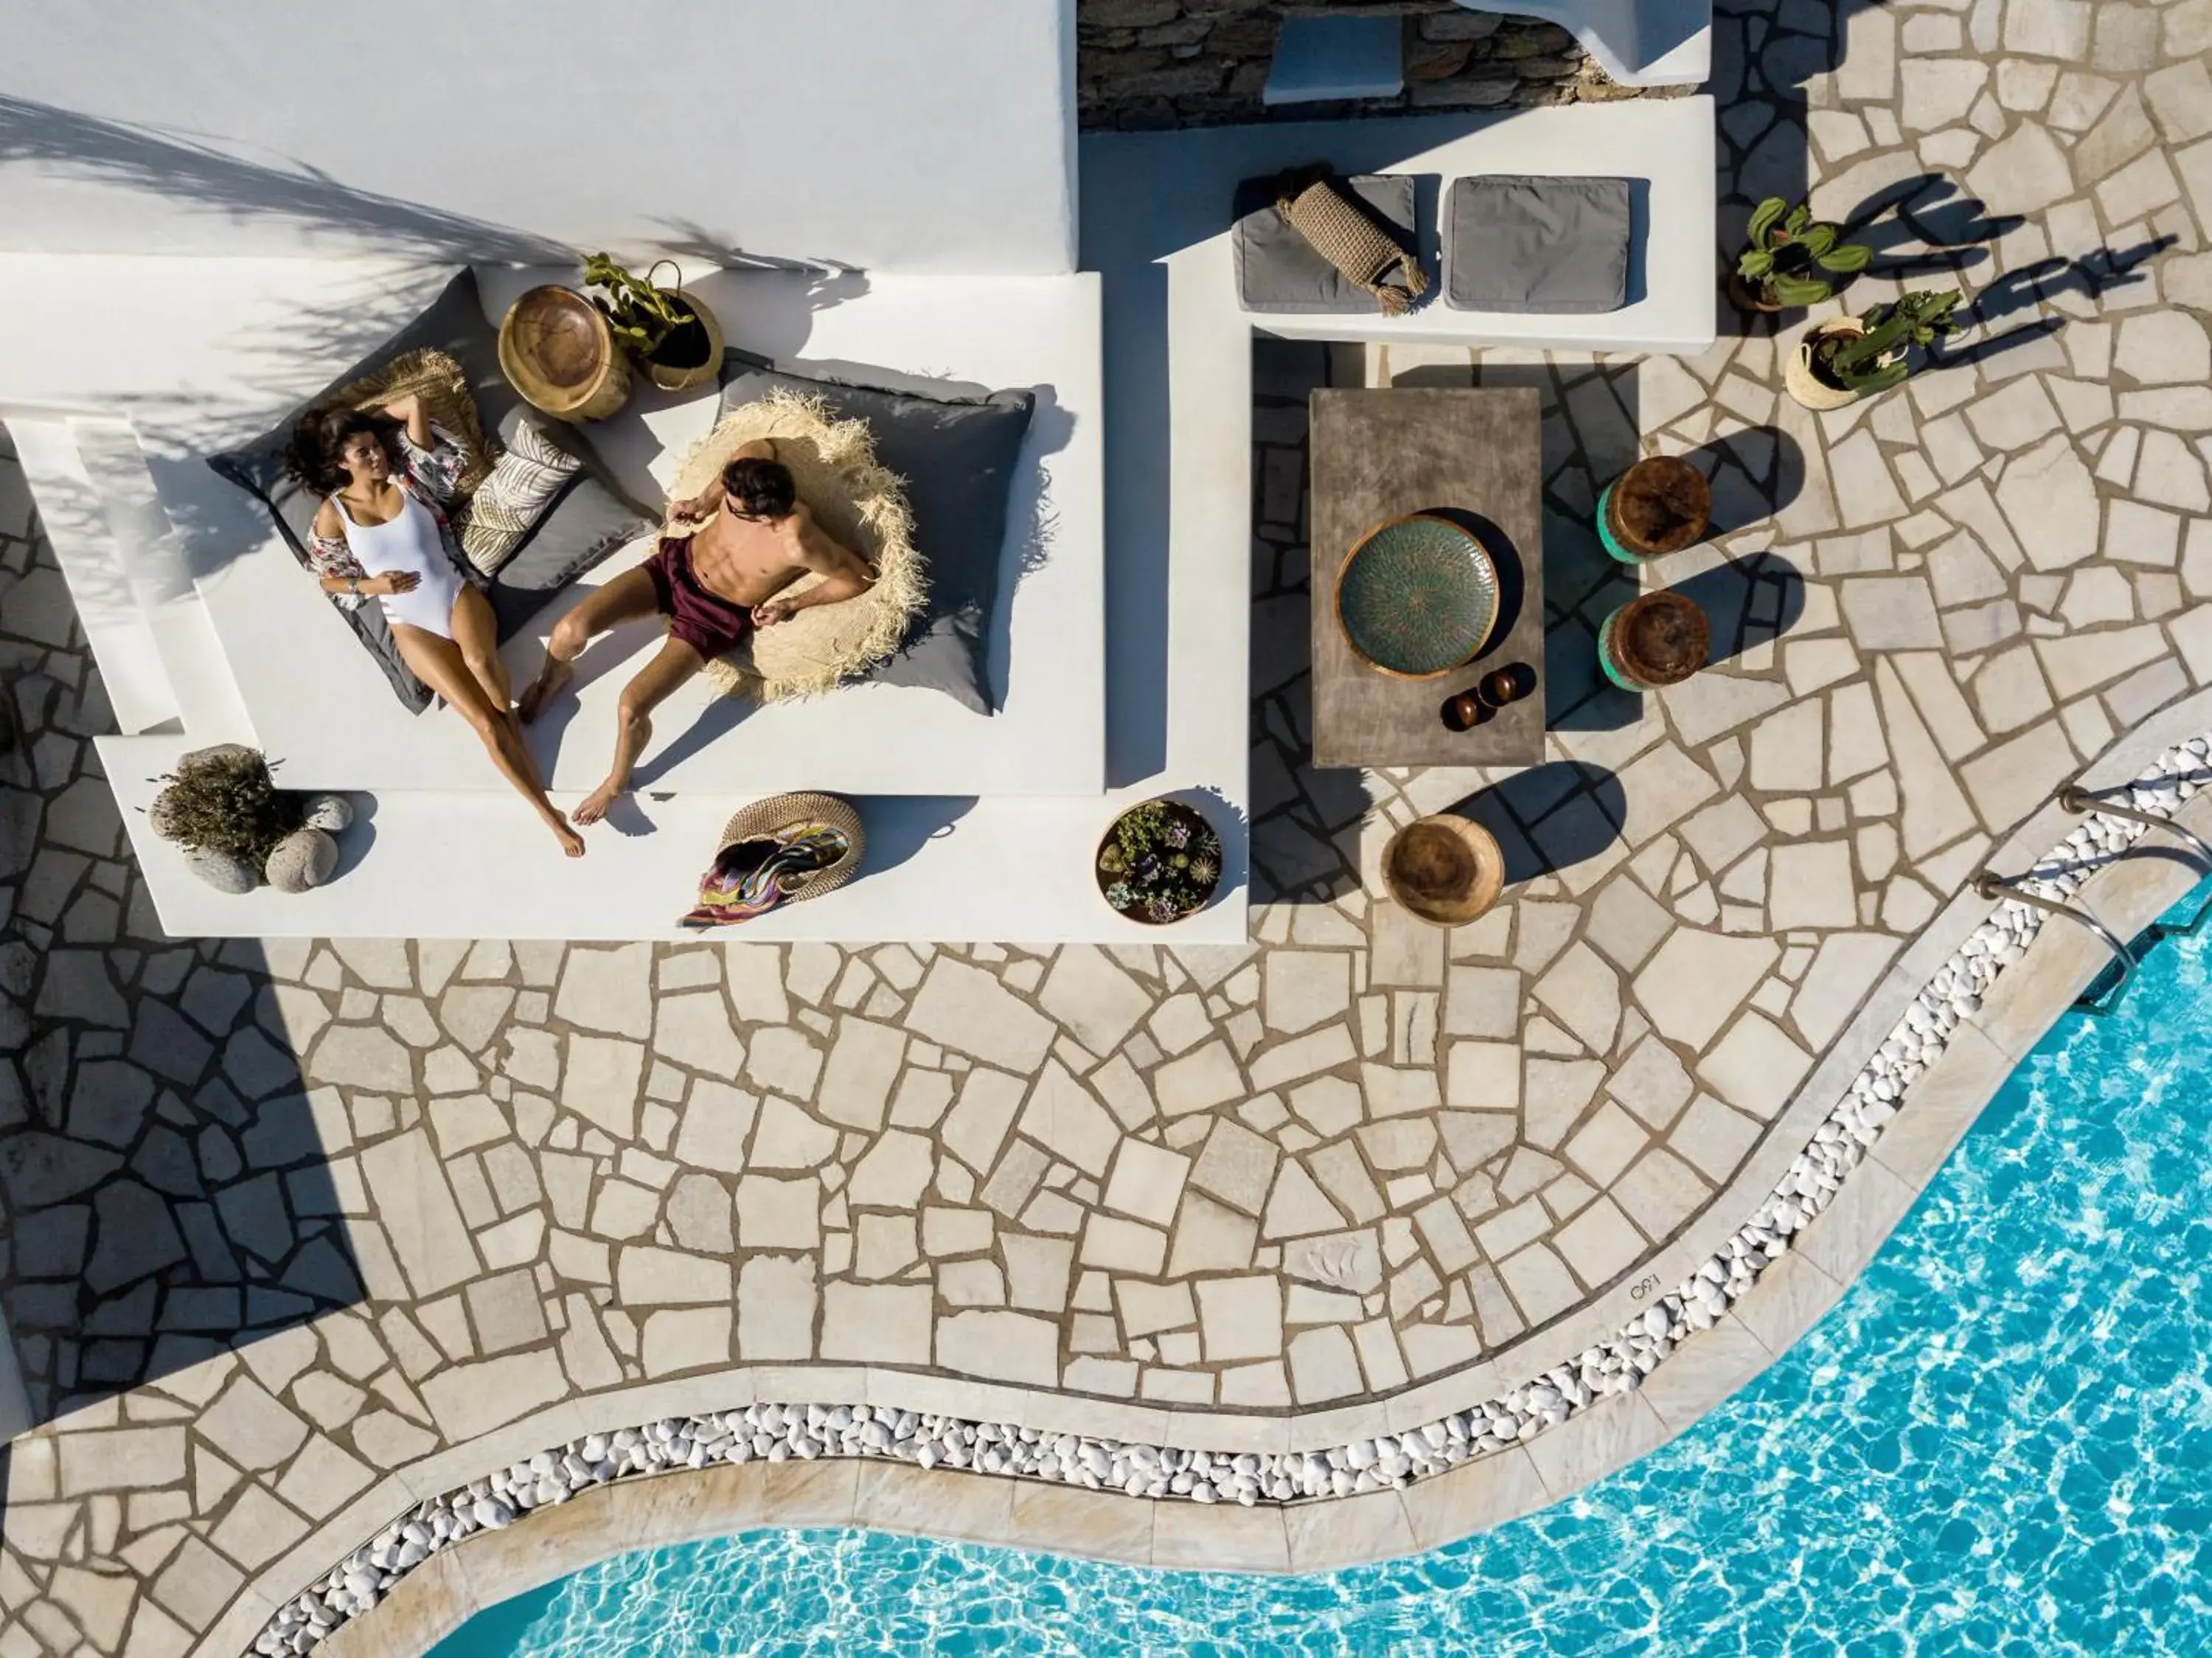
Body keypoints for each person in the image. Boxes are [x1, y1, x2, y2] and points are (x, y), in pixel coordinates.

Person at [518, 441, 874, 826]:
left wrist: (792, 604)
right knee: (570, 629)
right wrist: (703, 503)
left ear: (763, 514)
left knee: (631, 705)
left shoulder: (797, 539)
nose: (728, 501)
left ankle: (615, 783)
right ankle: (553, 677)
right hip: (676, 567)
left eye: (732, 503)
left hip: (711, 617)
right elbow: (758, 446)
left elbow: (860, 577)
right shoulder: (745, 477)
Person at [287, 395, 584, 858]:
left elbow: (412, 404)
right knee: (486, 723)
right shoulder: (334, 514)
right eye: (361, 452)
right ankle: (548, 816)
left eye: (374, 445)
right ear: (339, 463)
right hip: (408, 620)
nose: (376, 455)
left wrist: (359, 422)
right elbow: (324, 576)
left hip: (454, 593)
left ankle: (524, 732)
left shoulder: (408, 474)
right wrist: (371, 583)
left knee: (482, 663)